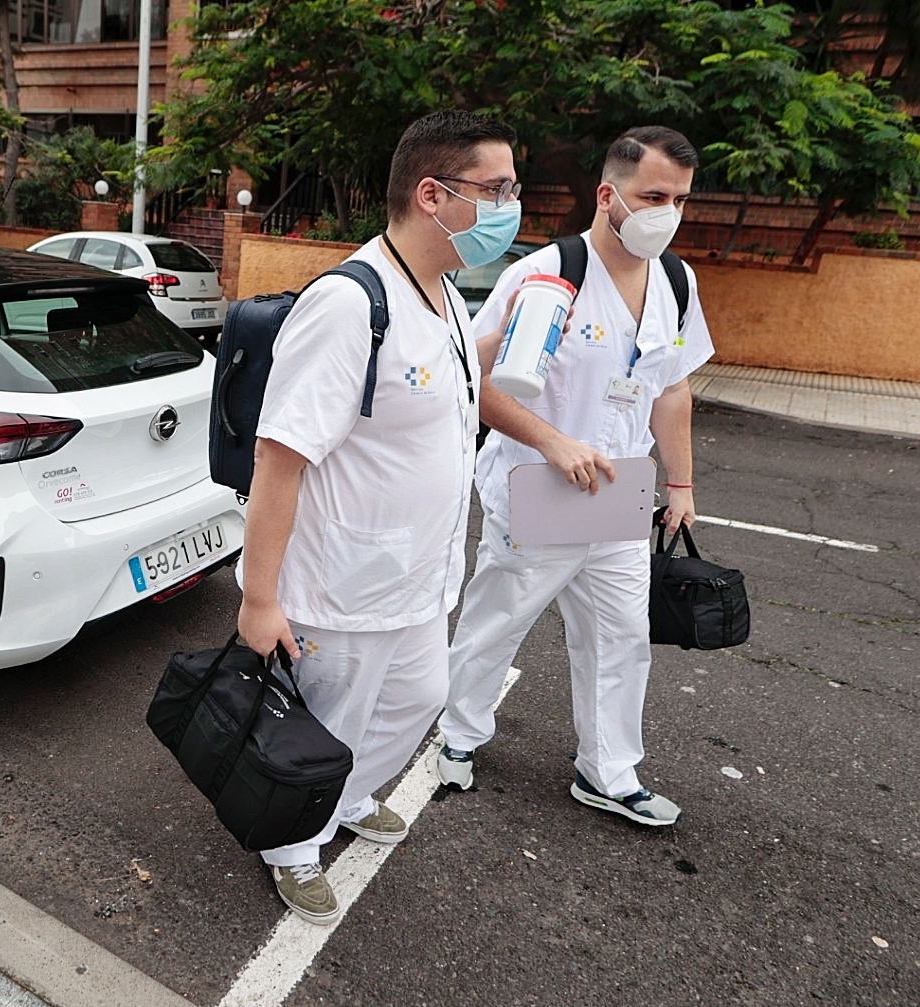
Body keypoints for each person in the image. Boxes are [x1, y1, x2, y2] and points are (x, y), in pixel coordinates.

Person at [237, 109, 520, 925]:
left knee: (418, 699)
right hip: (341, 584)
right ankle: (291, 846)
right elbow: (278, 458)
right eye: (495, 189)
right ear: (433, 194)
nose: (511, 206)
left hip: (419, 577)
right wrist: (260, 598)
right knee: (323, 724)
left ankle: (348, 796)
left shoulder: (443, 295)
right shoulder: (347, 302)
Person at [435, 125, 714, 827]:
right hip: (538, 489)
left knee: (620, 635)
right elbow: (478, 382)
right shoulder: (545, 275)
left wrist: (677, 484)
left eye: (679, 198)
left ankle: (608, 770)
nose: (668, 211)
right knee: (496, 625)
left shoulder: (676, 282)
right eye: (654, 194)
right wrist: (554, 443)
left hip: (619, 494)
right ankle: (459, 735)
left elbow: (670, 389)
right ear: (607, 194)